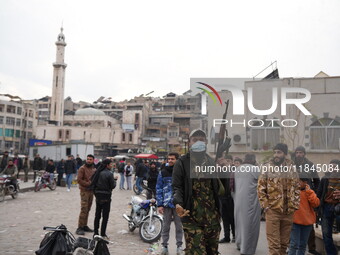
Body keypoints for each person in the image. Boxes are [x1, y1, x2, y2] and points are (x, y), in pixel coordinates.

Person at [172, 129, 223, 255]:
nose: (198, 142)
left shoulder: (211, 161)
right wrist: (178, 203)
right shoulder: (182, 163)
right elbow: (177, 187)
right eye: (195, 140)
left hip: (212, 218)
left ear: (206, 142)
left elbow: (218, 190)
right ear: (189, 143)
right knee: (196, 252)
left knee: (212, 252)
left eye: (201, 139)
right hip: (192, 218)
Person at [258, 143, 300, 255]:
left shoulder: (292, 168)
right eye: (275, 152)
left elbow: (296, 187)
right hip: (273, 210)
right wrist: (266, 206)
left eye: (279, 152)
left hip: (288, 211)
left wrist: (295, 204)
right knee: (274, 245)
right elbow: (261, 188)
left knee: (284, 245)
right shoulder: (267, 167)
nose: (276, 155)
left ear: (285, 154)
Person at [293, 145, 320, 255]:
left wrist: (314, 193)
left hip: (308, 197)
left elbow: (317, 180)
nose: (299, 154)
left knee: (309, 221)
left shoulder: (310, 165)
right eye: (297, 152)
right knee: (293, 223)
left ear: (304, 154)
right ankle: (291, 246)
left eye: (301, 152)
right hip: (294, 196)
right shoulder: (291, 165)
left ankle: (312, 248)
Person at [156, 152, 183, 255]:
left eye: (172, 159)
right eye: (169, 159)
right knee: (166, 226)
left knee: (179, 226)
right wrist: (159, 204)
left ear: (177, 160)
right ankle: (164, 247)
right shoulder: (163, 172)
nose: (170, 160)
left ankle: (179, 246)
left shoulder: (181, 172)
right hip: (166, 204)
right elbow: (158, 188)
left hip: (179, 204)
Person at [234, 154, 261, 255]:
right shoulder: (255, 169)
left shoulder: (238, 169)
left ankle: (239, 243)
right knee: (250, 226)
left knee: (240, 223)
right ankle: (247, 250)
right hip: (251, 201)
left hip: (239, 200)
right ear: (253, 160)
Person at [288, 177, 320, 255]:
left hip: (307, 223)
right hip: (295, 222)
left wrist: (309, 192)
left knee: (303, 245)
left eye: (300, 181)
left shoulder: (310, 192)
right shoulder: (292, 191)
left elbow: (316, 203)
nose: (297, 183)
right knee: (293, 244)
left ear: (305, 182)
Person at [317, 159, 340, 255]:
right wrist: (316, 209)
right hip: (326, 207)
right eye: (331, 167)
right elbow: (319, 194)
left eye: (335, 167)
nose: (333, 169)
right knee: (326, 234)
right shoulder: (324, 179)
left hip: (338, 207)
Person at [92, 159, 117, 240]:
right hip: (106, 197)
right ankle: (102, 233)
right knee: (105, 217)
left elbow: (93, 184)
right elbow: (112, 186)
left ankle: (95, 233)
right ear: (107, 165)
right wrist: (115, 180)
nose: (111, 166)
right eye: (110, 164)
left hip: (98, 196)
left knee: (97, 216)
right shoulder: (109, 174)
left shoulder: (97, 173)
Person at [217, 154, 235, 243]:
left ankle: (235, 235)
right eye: (225, 161)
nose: (226, 163)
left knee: (232, 218)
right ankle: (226, 236)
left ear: (232, 162)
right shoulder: (221, 170)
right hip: (223, 197)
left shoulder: (234, 170)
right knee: (225, 218)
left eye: (228, 161)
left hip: (232, 197)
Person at [76, 154, 96, 235]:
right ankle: (79, 227)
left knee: (88, 209)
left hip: (91, 191)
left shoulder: (93, 169)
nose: (88, 160)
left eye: (90, 159)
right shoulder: (82, 168)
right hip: (84, 191)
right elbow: (79, 180)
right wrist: (88, 184)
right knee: (84, 209)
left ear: (93, 160)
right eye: (88, 159)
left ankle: (84, 225)